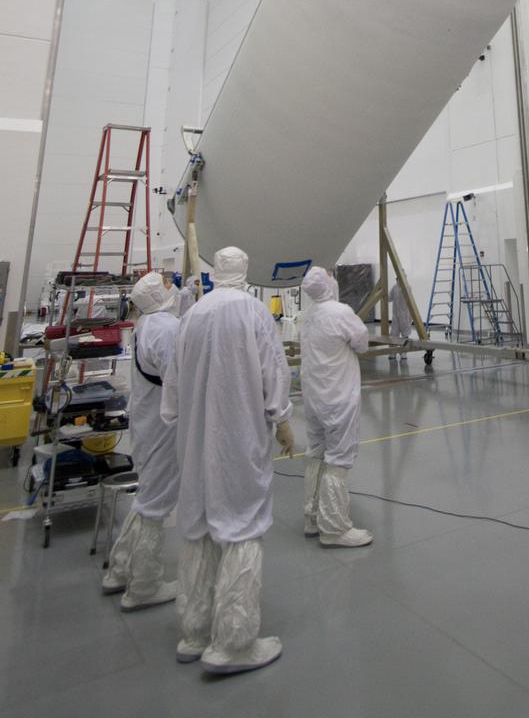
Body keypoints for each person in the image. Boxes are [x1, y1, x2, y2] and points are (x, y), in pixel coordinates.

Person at [161, 246, 295, 675]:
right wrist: (284, 420)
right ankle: (234, 643)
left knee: (199, 527)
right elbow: (274, 371)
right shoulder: (254, 313)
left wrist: (185, 425)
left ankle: (194, 630)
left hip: (195, 439)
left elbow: (172, 385)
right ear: (245, 271)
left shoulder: (193, 315)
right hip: (238, 438)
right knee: (241, 526)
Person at [102, 271, 180, 609]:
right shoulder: (165, 328)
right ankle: (144, 585)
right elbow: (177, 377)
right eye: (166, 283)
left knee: (148, 494)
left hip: (148, 421)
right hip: (164, 424)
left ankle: (120, 568)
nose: (171, 285)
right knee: (156, 503)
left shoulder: (147, 324)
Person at [300, 267, 372, 548]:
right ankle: (334, 528)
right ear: (330, 284)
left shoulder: (309, 316)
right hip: (338, 396)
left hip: (313, 396)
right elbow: (362, 344)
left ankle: (312, 516)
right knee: (338, 460)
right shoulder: (341, 312)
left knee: (315, 454)